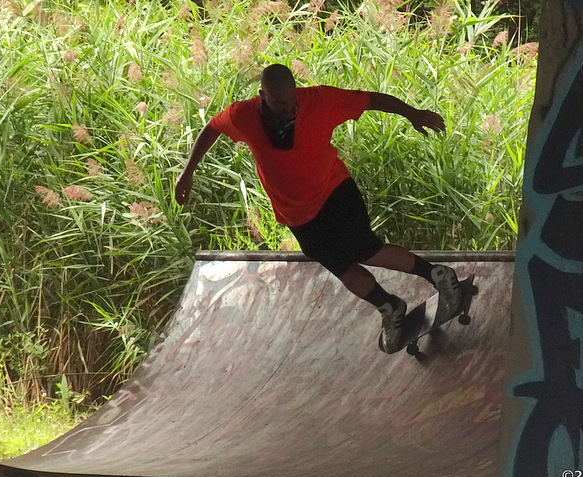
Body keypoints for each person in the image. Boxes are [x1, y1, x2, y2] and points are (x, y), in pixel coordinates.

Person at [175, 63, 461, 354]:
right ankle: (390, 307)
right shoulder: (243, 115)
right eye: (278, 103)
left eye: (291, 101)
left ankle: (438, 276)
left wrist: (413, 114)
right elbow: (211, 128)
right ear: (262, 96)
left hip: (334, 190)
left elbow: (371, 99)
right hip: (296, 214)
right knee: (342, 267)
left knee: (365, 249)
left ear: (296, 92)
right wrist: (188, 172)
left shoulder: (320, 101)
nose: (288, 109)